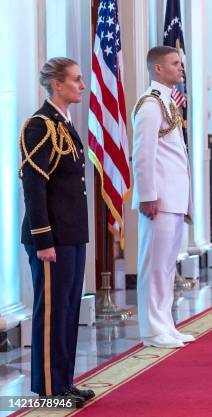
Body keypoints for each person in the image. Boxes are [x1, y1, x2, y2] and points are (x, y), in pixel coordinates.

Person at [19, 57, 95, 406]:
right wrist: (43, 239)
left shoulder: (63, 123)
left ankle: (63, 381)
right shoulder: (40, 125)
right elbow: (34, 187)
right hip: (52, 238)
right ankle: (49, 387)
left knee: (67, 309)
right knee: (51, 312)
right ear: (57, 85)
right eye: (77, 80)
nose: (82, 85)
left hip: (71, 235)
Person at [132, 46, 194, 349]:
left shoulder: (167, 102)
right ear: (158, 68)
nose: (180, 67)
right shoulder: (150, 105)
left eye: (180, 63)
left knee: (167, 266)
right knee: (154, 266)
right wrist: (147, 196)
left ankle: (166, 324)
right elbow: (143, 155)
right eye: (174, 63)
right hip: (159, 200)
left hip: (173, 198)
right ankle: (152, 329)